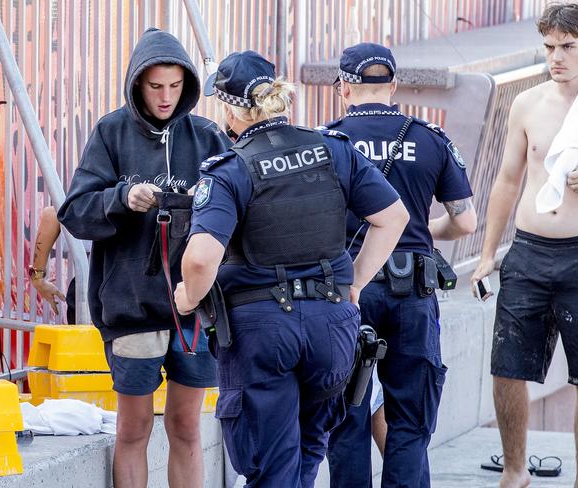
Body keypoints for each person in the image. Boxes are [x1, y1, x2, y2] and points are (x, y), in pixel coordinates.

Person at [173, 50, 409, 487]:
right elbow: (393, 216)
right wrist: (354, 283)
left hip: (263, 333)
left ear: (229, 109)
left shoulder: (229, 169)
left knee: (271, 468)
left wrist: (187, 297)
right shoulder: (333, 150)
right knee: (306, 454)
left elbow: (202, 257)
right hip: (332, 326)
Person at [57, 28, 231, 488]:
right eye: (156, 86)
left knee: (187, 426)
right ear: (137, 83)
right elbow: (74, 213)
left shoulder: (210, 137)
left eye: (176, 86)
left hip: (196, 307)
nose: (166, 97)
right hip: (131, 307)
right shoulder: (110, 132)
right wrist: (121, 198)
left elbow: (242, 215)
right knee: (133, 428)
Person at [324, 42, 477, 488]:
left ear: (343, 88)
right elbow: (465, 220)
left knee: (346, 419)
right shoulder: (430, 138)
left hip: (349, 288)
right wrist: (418, 228)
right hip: (413, 292)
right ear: (393, 85)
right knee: (409, 423)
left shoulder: (326, 141)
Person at [470, 3, 578, 488]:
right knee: (507, 365)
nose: (555, 57)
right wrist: (488, 253)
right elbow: (507, 180)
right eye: (549, 47)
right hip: (530, 251)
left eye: (568, 47)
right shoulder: (528, 103)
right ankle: (515, 470)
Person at [29, 206, 89, 325]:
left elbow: (52, 214)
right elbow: (52, 214)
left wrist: (38, 280)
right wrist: (38, 280)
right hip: (97, 293)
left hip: (92, 291)